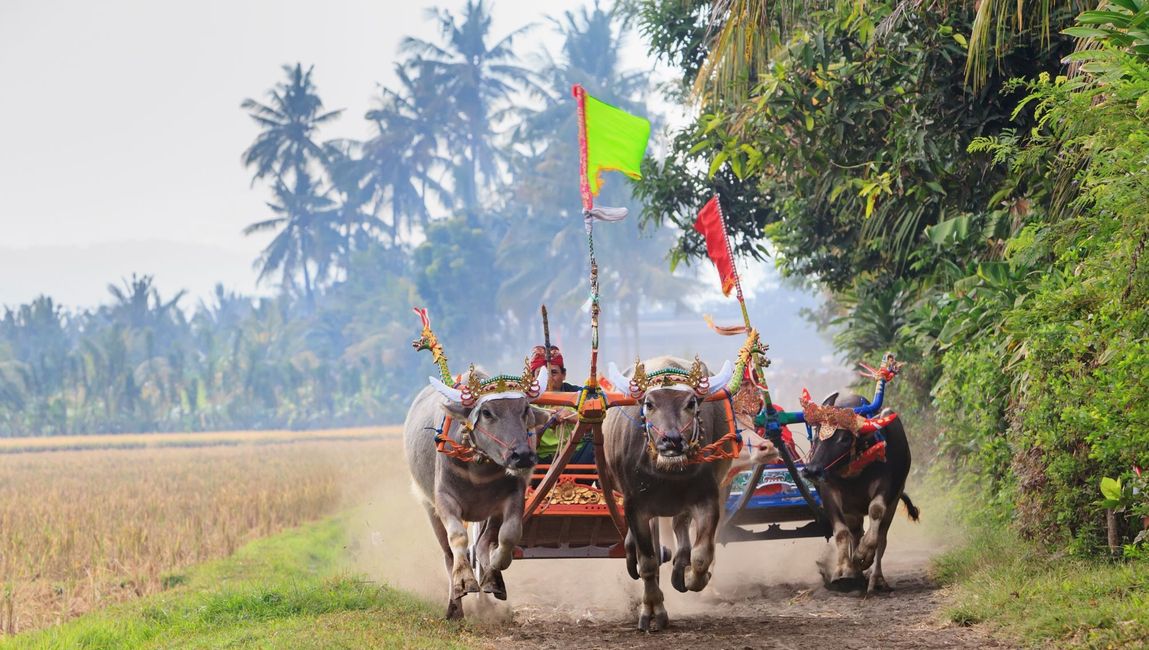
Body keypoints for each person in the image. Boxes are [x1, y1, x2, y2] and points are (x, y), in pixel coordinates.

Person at [529, 345, 595, 465]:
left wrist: (570, 416)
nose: (549, 379)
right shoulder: (524, 400)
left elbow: (596, 419)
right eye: (542, 375)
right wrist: (542, 425)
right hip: (540, 459)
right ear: (532, 378)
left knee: (599, 441)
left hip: (577, 455)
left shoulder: (580, 393)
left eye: (553, 373)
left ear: (564, 375)